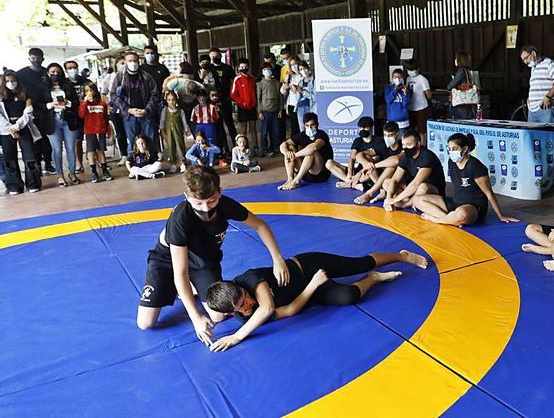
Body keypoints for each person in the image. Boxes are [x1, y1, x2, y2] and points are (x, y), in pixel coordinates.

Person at [136, 166, 291, 348]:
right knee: (146, 323)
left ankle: (192, 288)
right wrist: (195, 318)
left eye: (211, 201)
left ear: (219, 192)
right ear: (187, 197)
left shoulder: (225, 205)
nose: (205, 209)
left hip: (203, 261)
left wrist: (278, 258)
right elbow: (181, 272)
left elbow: (261, 226)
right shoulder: (180, 219)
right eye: (198, 203)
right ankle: (181, 288)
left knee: (218, 315)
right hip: (168, 260)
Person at [203, 249, 428, 351]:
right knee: (348, 296)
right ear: (234, 312)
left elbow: (268, 307)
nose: (249, 303)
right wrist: (313, 286)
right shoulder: (246, 320)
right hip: (310, 292)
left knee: (359, 264)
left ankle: (401, 256)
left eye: (245, 297)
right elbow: (290, 310)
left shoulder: (249, 280)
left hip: (309, 266)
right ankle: (375, 278)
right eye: (243, 307)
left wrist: (236, 338)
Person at [414, 133, 517, 226]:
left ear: (464, 149)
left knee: (461, 214)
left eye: (454, 149)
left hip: (473, 208)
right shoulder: (451, 162)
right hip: (456, 203)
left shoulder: (475, 166)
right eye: (449, 149)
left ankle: (437, 220)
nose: (451, 152)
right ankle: (450, 219)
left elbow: (489, 193)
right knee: (417, 200)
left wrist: (501, 216)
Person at [382, 128, 445, 212]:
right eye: (403, 145)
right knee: (387, 182)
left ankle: (405, 204)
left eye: (408, 144)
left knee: (423, 187)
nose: (405, 147)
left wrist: (395, 200)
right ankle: (412, 201)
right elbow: (395, 179)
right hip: (413, 188)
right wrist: (388, 199)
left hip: (432, 189)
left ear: (418, 144)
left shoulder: (427, 156)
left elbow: (416, 183)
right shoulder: (405, 156)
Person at [0, 70, 42, 193]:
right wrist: (10, 128)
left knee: (30, 156)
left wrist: (17, 126)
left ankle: (33, 183)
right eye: (7, 81)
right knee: (10, 158)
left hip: (23, 126)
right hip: (6, 130)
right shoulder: (1, 96)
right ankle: (14, 185)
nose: (11, 83)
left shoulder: (25, 95)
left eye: (13, 81)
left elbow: (28, 112)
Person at [112, 51, 160, 157]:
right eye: (130, 61)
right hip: (129, 115)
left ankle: (152, 161)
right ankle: (133, 164)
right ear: (125, 62)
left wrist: (147, 109)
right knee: (132, 141)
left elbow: (155, 94)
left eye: (135, 61)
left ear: (139, 61)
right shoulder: (120, 77)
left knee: (150, 139)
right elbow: (114, 95)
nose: (133, 63)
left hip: (146, 114)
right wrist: (128, 109)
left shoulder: (146, 77)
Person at [17, 47, 53, 174]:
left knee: (47, 136)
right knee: (34, 138)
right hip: (29, 109)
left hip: (46, 108)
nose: (35, 60)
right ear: (29, 58)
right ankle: (37, 163)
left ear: (43, 59)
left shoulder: (46, 72)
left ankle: (48, 163)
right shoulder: (21, 74)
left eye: (38, 58)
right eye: (33, 57)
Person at [45, 62, 83, 187]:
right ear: (48, 73)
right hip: (52, 120)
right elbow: (38, 105)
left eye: (58, 72)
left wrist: (67, 103)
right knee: (56, 149)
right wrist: (50, 104)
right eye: (52, 72)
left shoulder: (68, 85)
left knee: (70, 148)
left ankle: (72, 173)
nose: (55, 74)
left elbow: (76, 102)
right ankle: (60, 175)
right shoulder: (43, 87)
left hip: (68, 119)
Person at [278, 112, 334, 190]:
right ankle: (290, 179)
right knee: (290, 148)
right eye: (307, 126)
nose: (309, 128)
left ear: (317, 124)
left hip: (320, 174)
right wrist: (286, 153)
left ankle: (296, 181)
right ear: (304, 126)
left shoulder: (322, 134)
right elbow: (283, 144)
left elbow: (314, 147)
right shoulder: (302, 135)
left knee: (311, 152)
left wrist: (294, 155)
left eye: (312, 125)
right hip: (305, 173)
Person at [353, 121, 404, 205]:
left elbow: (396, 160)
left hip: (399, 176)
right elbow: (359, 155)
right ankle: (382, 191)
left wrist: (374, 166)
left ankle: (370, 193)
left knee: (391, 166)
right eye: (385, 135)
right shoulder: (382, 144)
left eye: (390, 135)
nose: (387, 138)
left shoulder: (403, 144)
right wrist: (366, 163)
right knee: (367, 159)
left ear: (397, 135)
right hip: (383, 176)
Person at [77, 84, 114, 183]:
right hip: (90, 131)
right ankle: (94, 172)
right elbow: (81, 114)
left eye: (90, 90)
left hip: (101, 130)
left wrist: (107, 129)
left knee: (101, 151)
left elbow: (105, 117)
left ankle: (105, 170)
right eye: (86, 91)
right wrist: (85, 102)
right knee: (91, 152)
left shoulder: (102, 103)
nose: (89, 92)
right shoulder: (84, 103)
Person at [520, 45, 554, 123]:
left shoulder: (549, 63)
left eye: (526, 58)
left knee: (548, 134)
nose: (525, 62)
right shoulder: (533, 68)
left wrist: (548, 97)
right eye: (523, 60)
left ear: (533, 54)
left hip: (545, 109)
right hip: (532, 110)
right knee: (532, 135)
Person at [335, 116, 380, 190]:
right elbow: (352, 157)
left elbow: (374, 160)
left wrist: (358, 175)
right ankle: (350, 182)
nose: (362, 129)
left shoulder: (378, 141)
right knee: (329, 163)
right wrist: (349, 174)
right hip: (358, 170)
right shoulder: (357, 140)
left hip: (371, 170)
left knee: (369, 169)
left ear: (371, 128)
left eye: (365, 127)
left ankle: (349, 184)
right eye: (361, 127)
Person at [207, 47, 238, 151]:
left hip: (226, 99)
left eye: (217, 56)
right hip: (214, 101)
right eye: (213, 57)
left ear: (221, 55)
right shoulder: (209, 69)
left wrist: (232, 96)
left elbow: (233, 82)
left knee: (230, 124)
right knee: (219, 126)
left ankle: (237, 146)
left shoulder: (227, 68)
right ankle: (224, 149)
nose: (215, 58)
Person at [64, 60, 88, 173]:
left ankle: (99, 161)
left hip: (88, 113)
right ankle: (79, 164)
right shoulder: (64, 83)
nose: (72, 69)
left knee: (93, 138)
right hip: (73, 115)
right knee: (77, 140)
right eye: (69, 68)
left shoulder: (85, 81)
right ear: (66, 70)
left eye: (74, 67)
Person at [230, 58, 259, 153]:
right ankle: (244, 148)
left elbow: (256, 92)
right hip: (242, 108)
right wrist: (241, 102)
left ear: (248, 67)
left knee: (253, 128)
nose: (244, 68)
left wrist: (255, 103)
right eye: (242, 67)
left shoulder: (253, 79)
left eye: (246, 67)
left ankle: (255, 147)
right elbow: (233, 94)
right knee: (243, 129)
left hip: (252, 107)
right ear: (238, 68)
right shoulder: (237, 79)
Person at [159, 91, 191, 173]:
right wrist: (162, 131)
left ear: (176, 100)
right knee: (171, 146)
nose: (171, 102)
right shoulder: (165, 111)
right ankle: (173, 163)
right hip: (169, 133)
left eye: (173, 99)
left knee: (180, 145)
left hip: (178, 131)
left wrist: (186, 130)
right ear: (166, 100)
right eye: (169, 100)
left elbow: (184, 122)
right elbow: (162, 122)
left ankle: (182, 162)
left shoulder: (180, 111)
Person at [256, 62, 283, 156]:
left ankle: (274, 148)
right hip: (264, 111)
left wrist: (280, 110)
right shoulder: (259, 84)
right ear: (262, 71)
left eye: (269, 69)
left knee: (275, 131)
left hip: (275, 111)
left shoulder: (276, 82)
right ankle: (264, 148)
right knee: (264, 132)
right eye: (265, 70)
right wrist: (259, 112)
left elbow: (280, 97)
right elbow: (258, 99)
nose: (267, 71)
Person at [106, 59, 129, 166]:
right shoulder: (110, 77)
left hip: (127, 108)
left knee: (130, 132)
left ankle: (134, 154)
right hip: (115, 109)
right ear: (116, 65)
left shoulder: (130, 75)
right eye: (122, 63)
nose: (124, 65)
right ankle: (124, 155)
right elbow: (103, 92)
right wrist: (108, 106)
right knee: (120, 133)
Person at [404, 60, 431, 145]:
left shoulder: (422, 79)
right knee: (411, 130)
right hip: (410, 108)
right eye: (409, 69)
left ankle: (422, 147)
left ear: (418, 69)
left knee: (421, 131)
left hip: (421, 108)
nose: (410, 71)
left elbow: (429, 95)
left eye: (412, 69)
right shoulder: (408, 79)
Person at [447, 51, 479, 120]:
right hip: (469, 105)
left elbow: (450, 86)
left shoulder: (461, 71)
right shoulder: (468, 71)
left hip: (461, 105)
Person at [281, 56, 304, 138]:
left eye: (296, 64)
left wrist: (297, 88)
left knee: (303, 126)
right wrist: (285, 87)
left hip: (303, 104)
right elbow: (282, 91)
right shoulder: (290, 77)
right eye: (292, 65)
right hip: (292, 104)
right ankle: (295, 146)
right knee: (294, 127)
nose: (294, 66)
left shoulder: (304, 75)